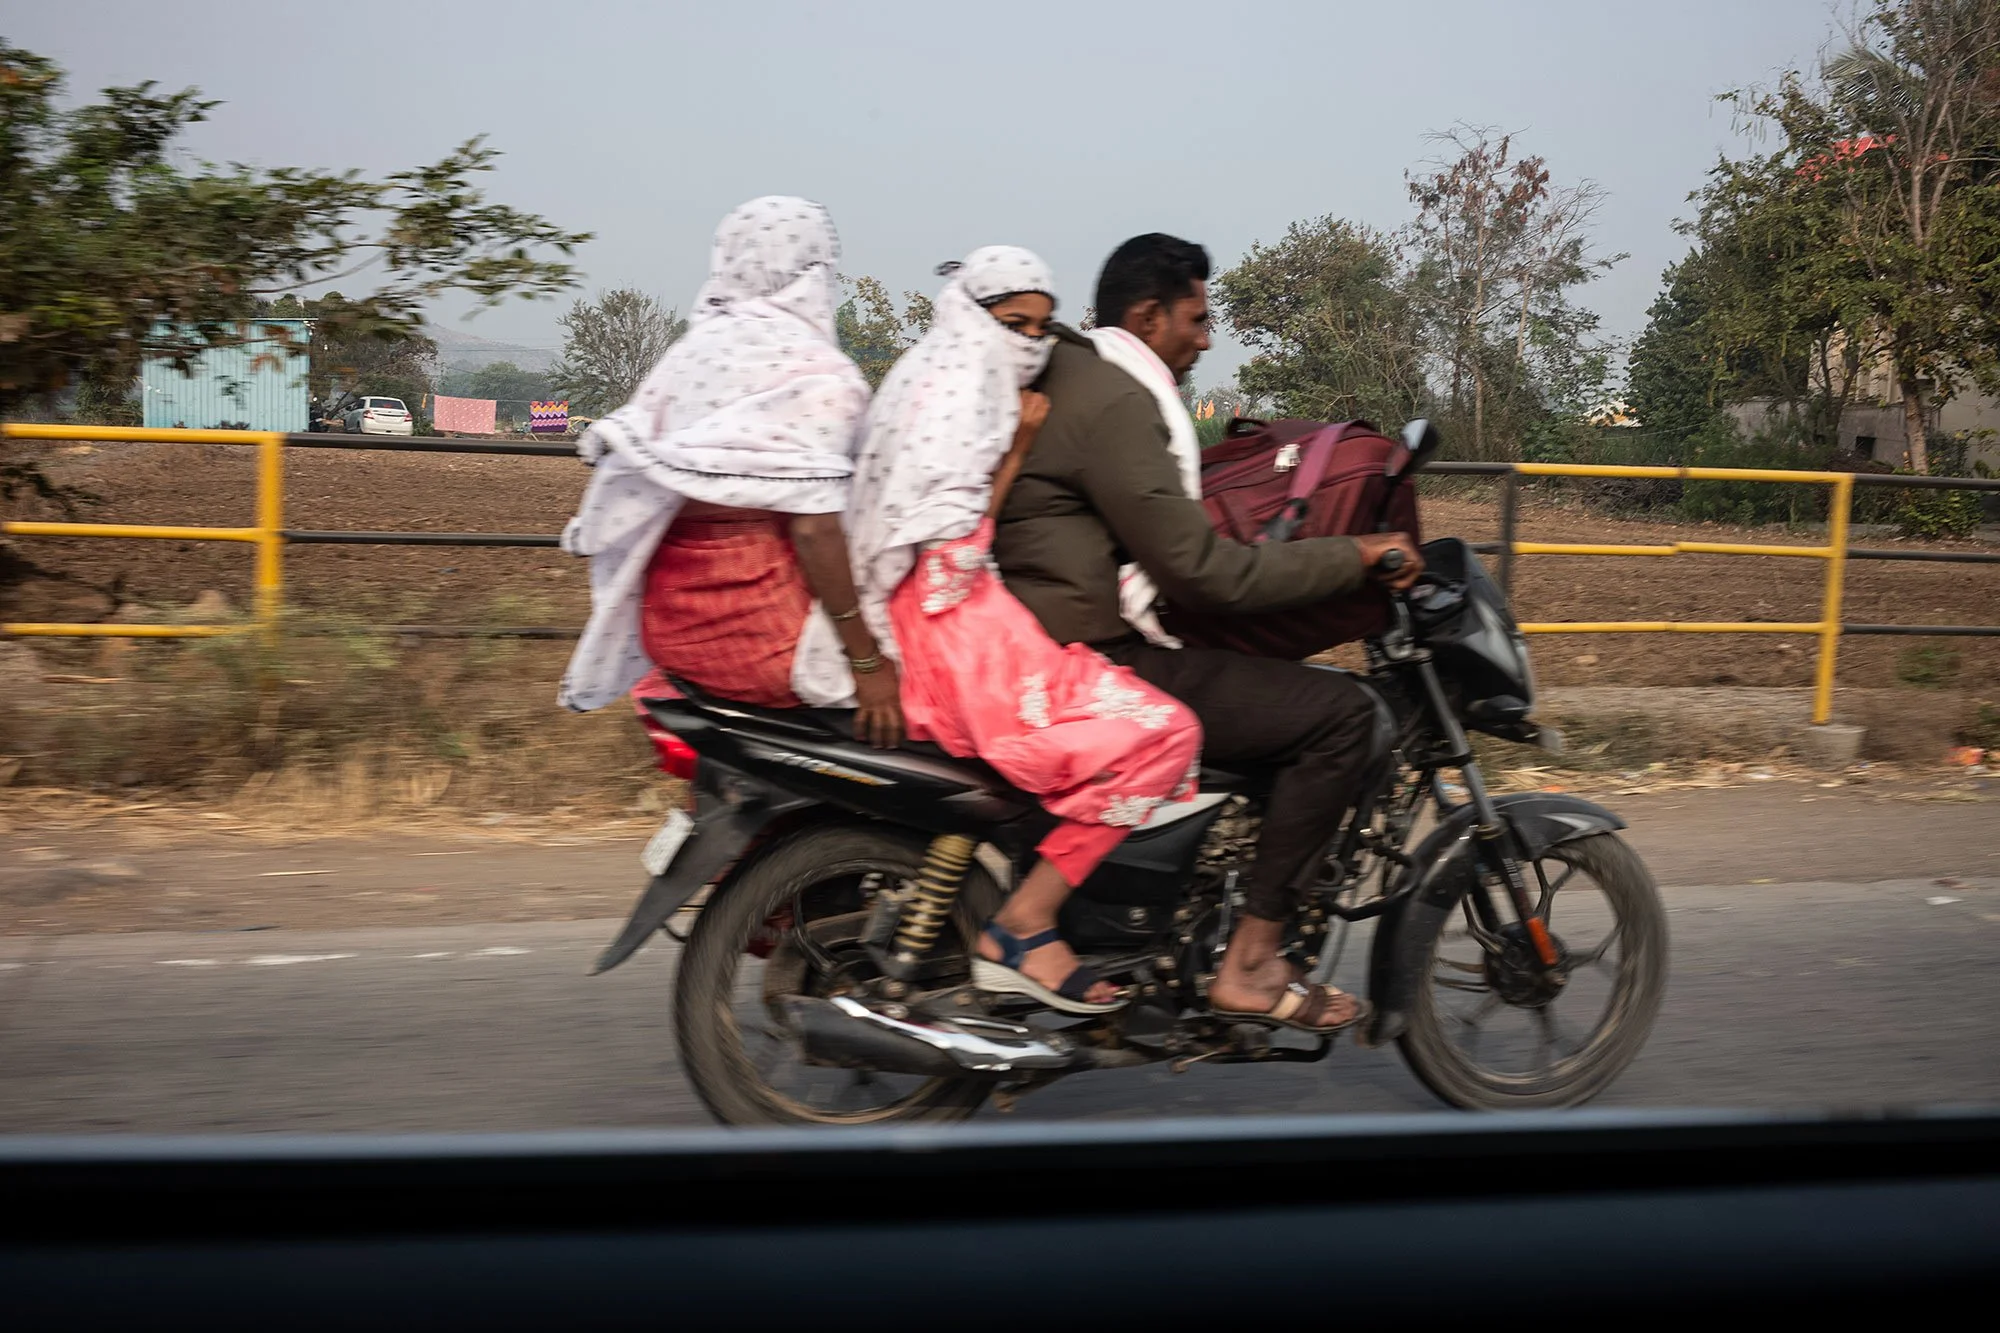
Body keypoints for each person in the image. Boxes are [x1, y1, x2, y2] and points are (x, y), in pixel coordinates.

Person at [991, 233, 1423, 1033]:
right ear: (1147, 316)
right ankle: (1250, 963)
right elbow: (1203, 573)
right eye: (1197, 319)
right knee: (1342, 715)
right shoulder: (1121, 397)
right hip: (1091, 654)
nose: (1207, 338)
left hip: (1032, 636)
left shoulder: (1078, 373)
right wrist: (1355, 555)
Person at [847, 246, 1201, 1014]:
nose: (1031, 343)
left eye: (1043, 328)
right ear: (972, 314)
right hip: (953, 632)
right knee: (1166, 733)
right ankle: (1027, 922)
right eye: (1015, 323)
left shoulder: (937, 372)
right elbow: (949, 560)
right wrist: (1016, 450)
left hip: (959, 616)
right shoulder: (954, 392)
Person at [557, 196, 903, 748]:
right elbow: (815, 530)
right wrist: (867, 663)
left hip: (668, 630)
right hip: (768, 640)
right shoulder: (820, 372)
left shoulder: (687, 357)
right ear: (814, 273)